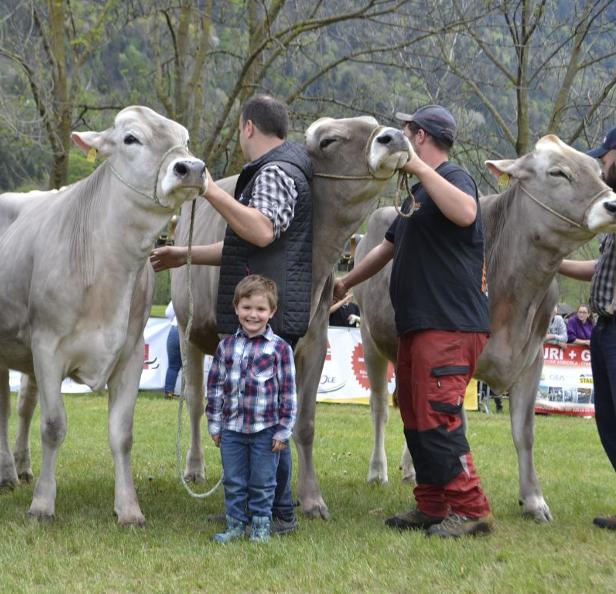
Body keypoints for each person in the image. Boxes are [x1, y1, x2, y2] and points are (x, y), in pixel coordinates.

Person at [151, 95, 312, 535]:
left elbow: (259, 229)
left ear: (246, 127)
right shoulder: (278, 168)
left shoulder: (275, 171)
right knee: (256, 422)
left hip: (269, 312)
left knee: (267, 431)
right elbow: (247, 242)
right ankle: (252, 511)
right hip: (267, 302)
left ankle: (278, 514)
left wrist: (210, 190)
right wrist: (186, 255)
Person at [333, 104, 493, 538]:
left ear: (419, 136)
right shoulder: (417, 196)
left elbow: (466, 213)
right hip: (420, 325)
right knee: (416, 414)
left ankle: (471, 507)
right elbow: (387, 248)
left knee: (439, 415)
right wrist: (346, 282)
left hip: (449, 325)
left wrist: (418, 166)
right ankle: (433, 503)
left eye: (406, 130)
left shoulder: (455, 179)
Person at [206, 275, 296, 543]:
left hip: (265, 432)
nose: (253, 315)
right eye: (246, 307)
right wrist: (214, 424)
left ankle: (260, 527)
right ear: (236, 308)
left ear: (272, 312)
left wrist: (283, 431)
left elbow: (289, 394)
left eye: (260, 309)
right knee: (233, 480)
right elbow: (215, 389)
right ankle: (235, 525)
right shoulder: (226, 347)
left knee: (263, 482)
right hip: (232, 430)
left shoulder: (280, 349)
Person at [559, 125, 616, 531]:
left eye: (605, 157)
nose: (601, 163)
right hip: (604, 327)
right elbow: (601, 268)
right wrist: (555, 264)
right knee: (609, 420)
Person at [163, 301, 181, 399]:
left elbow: (168, 312)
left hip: (174, 330)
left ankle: (168, 393)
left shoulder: (178, 292)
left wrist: (174, 320)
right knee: (191, 368)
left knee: (173, 366)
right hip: (189, 332)